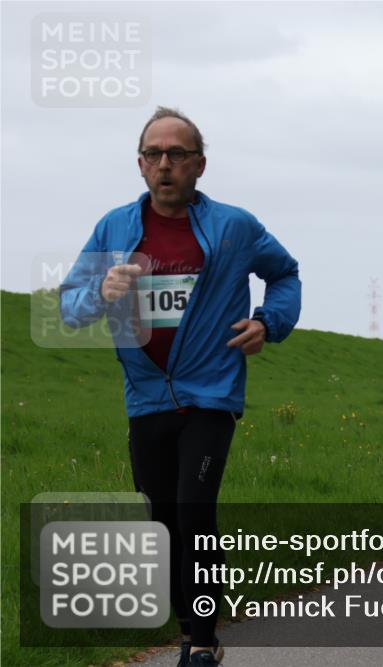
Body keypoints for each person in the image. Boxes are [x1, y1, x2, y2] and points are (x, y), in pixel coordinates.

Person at [60, 107, 302, 667]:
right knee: (163, 521)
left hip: (210, 392)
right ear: (140, 164)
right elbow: (70, 308)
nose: (164, 163)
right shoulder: (114, 228)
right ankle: (190, 624)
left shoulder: (234, 226)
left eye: (177, 153)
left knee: (195, 511)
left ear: (199, 165)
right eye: (154, 154)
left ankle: (202, 640)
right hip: (146, 396)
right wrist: (101, 291)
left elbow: (285, 272)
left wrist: (268, 321)